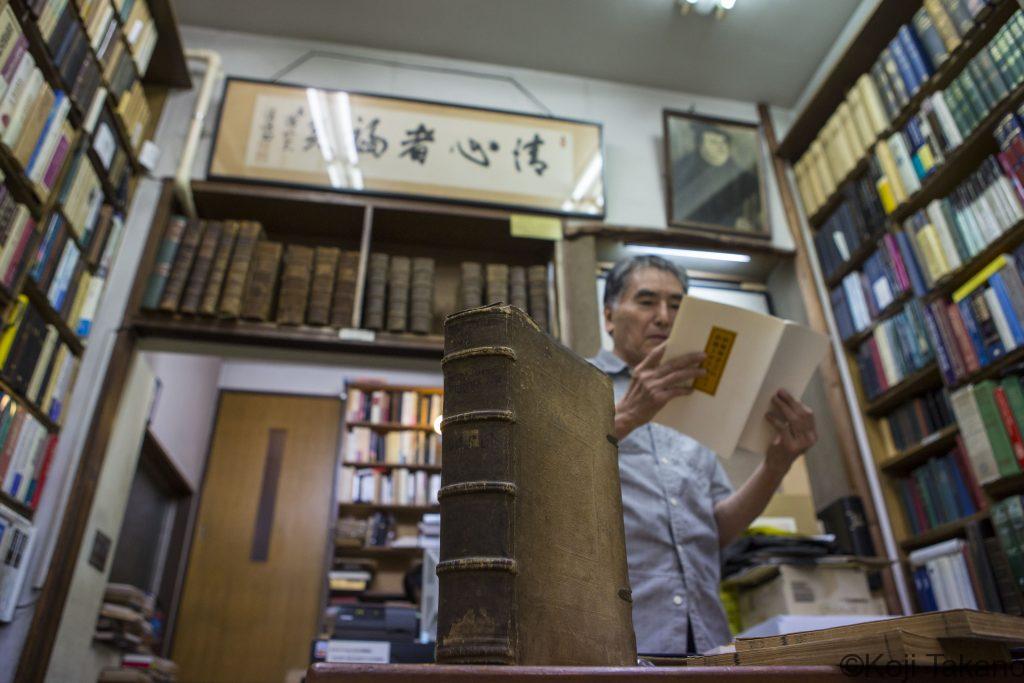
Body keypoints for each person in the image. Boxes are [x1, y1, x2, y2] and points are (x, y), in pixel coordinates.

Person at [589, 254, 818, 656]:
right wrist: (623, 418)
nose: (664, 317)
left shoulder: (700, 398)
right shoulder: (576, 381)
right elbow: (546, 486)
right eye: (646, 302)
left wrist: (776, 464)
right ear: (610, 316)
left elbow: (716, 529)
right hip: (616, 638)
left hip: (706, 636)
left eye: (677, 305)